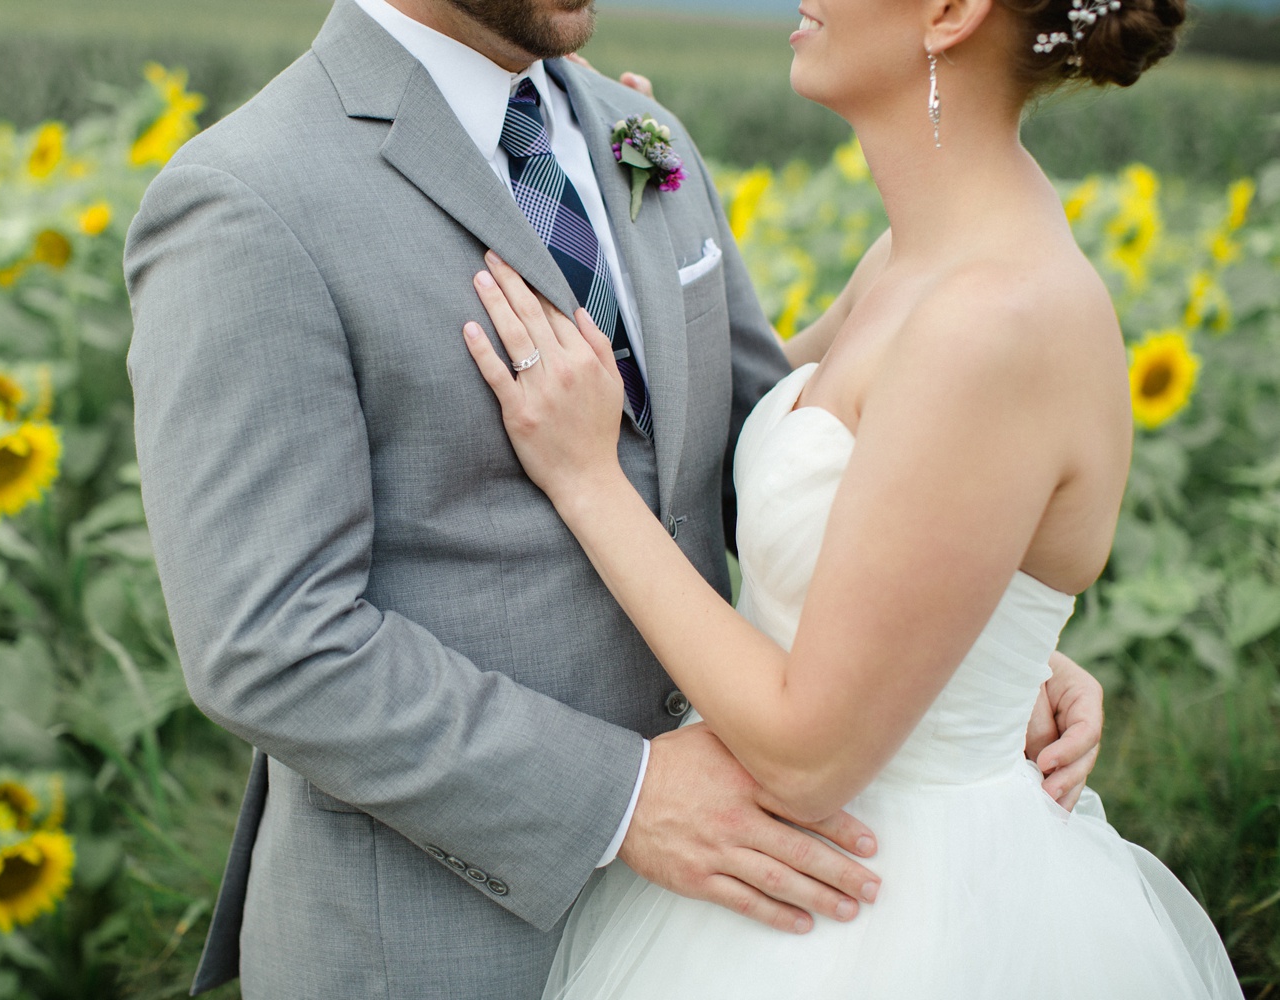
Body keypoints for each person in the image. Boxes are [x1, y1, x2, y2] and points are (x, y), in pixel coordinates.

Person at [122, 0, 1107, 996]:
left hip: (734, 930)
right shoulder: (245, 198)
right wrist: (623, 799)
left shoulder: (642, 137)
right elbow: (268, 639)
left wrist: (951, 620)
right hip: (439, 942)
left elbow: (764, 448)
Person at [457, 0, 1245, 996]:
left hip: (888, 905)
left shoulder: (993, 319)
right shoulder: (914, 258)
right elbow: (771, 453)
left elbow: (807, 756)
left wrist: (585, 479)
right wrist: (630, 232)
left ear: (952, 13)